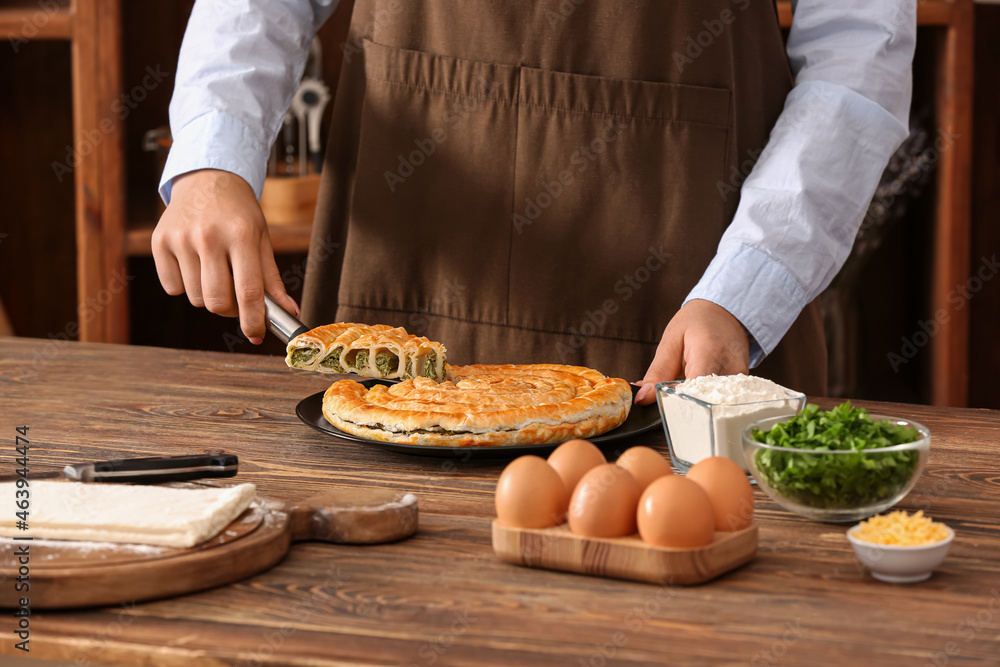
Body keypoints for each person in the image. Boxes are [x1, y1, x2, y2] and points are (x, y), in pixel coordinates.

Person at [153, 0, 915, 404]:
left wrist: (750, 288)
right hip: (406, 269)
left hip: (692, 306)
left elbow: (859, 47)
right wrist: (213, 159)